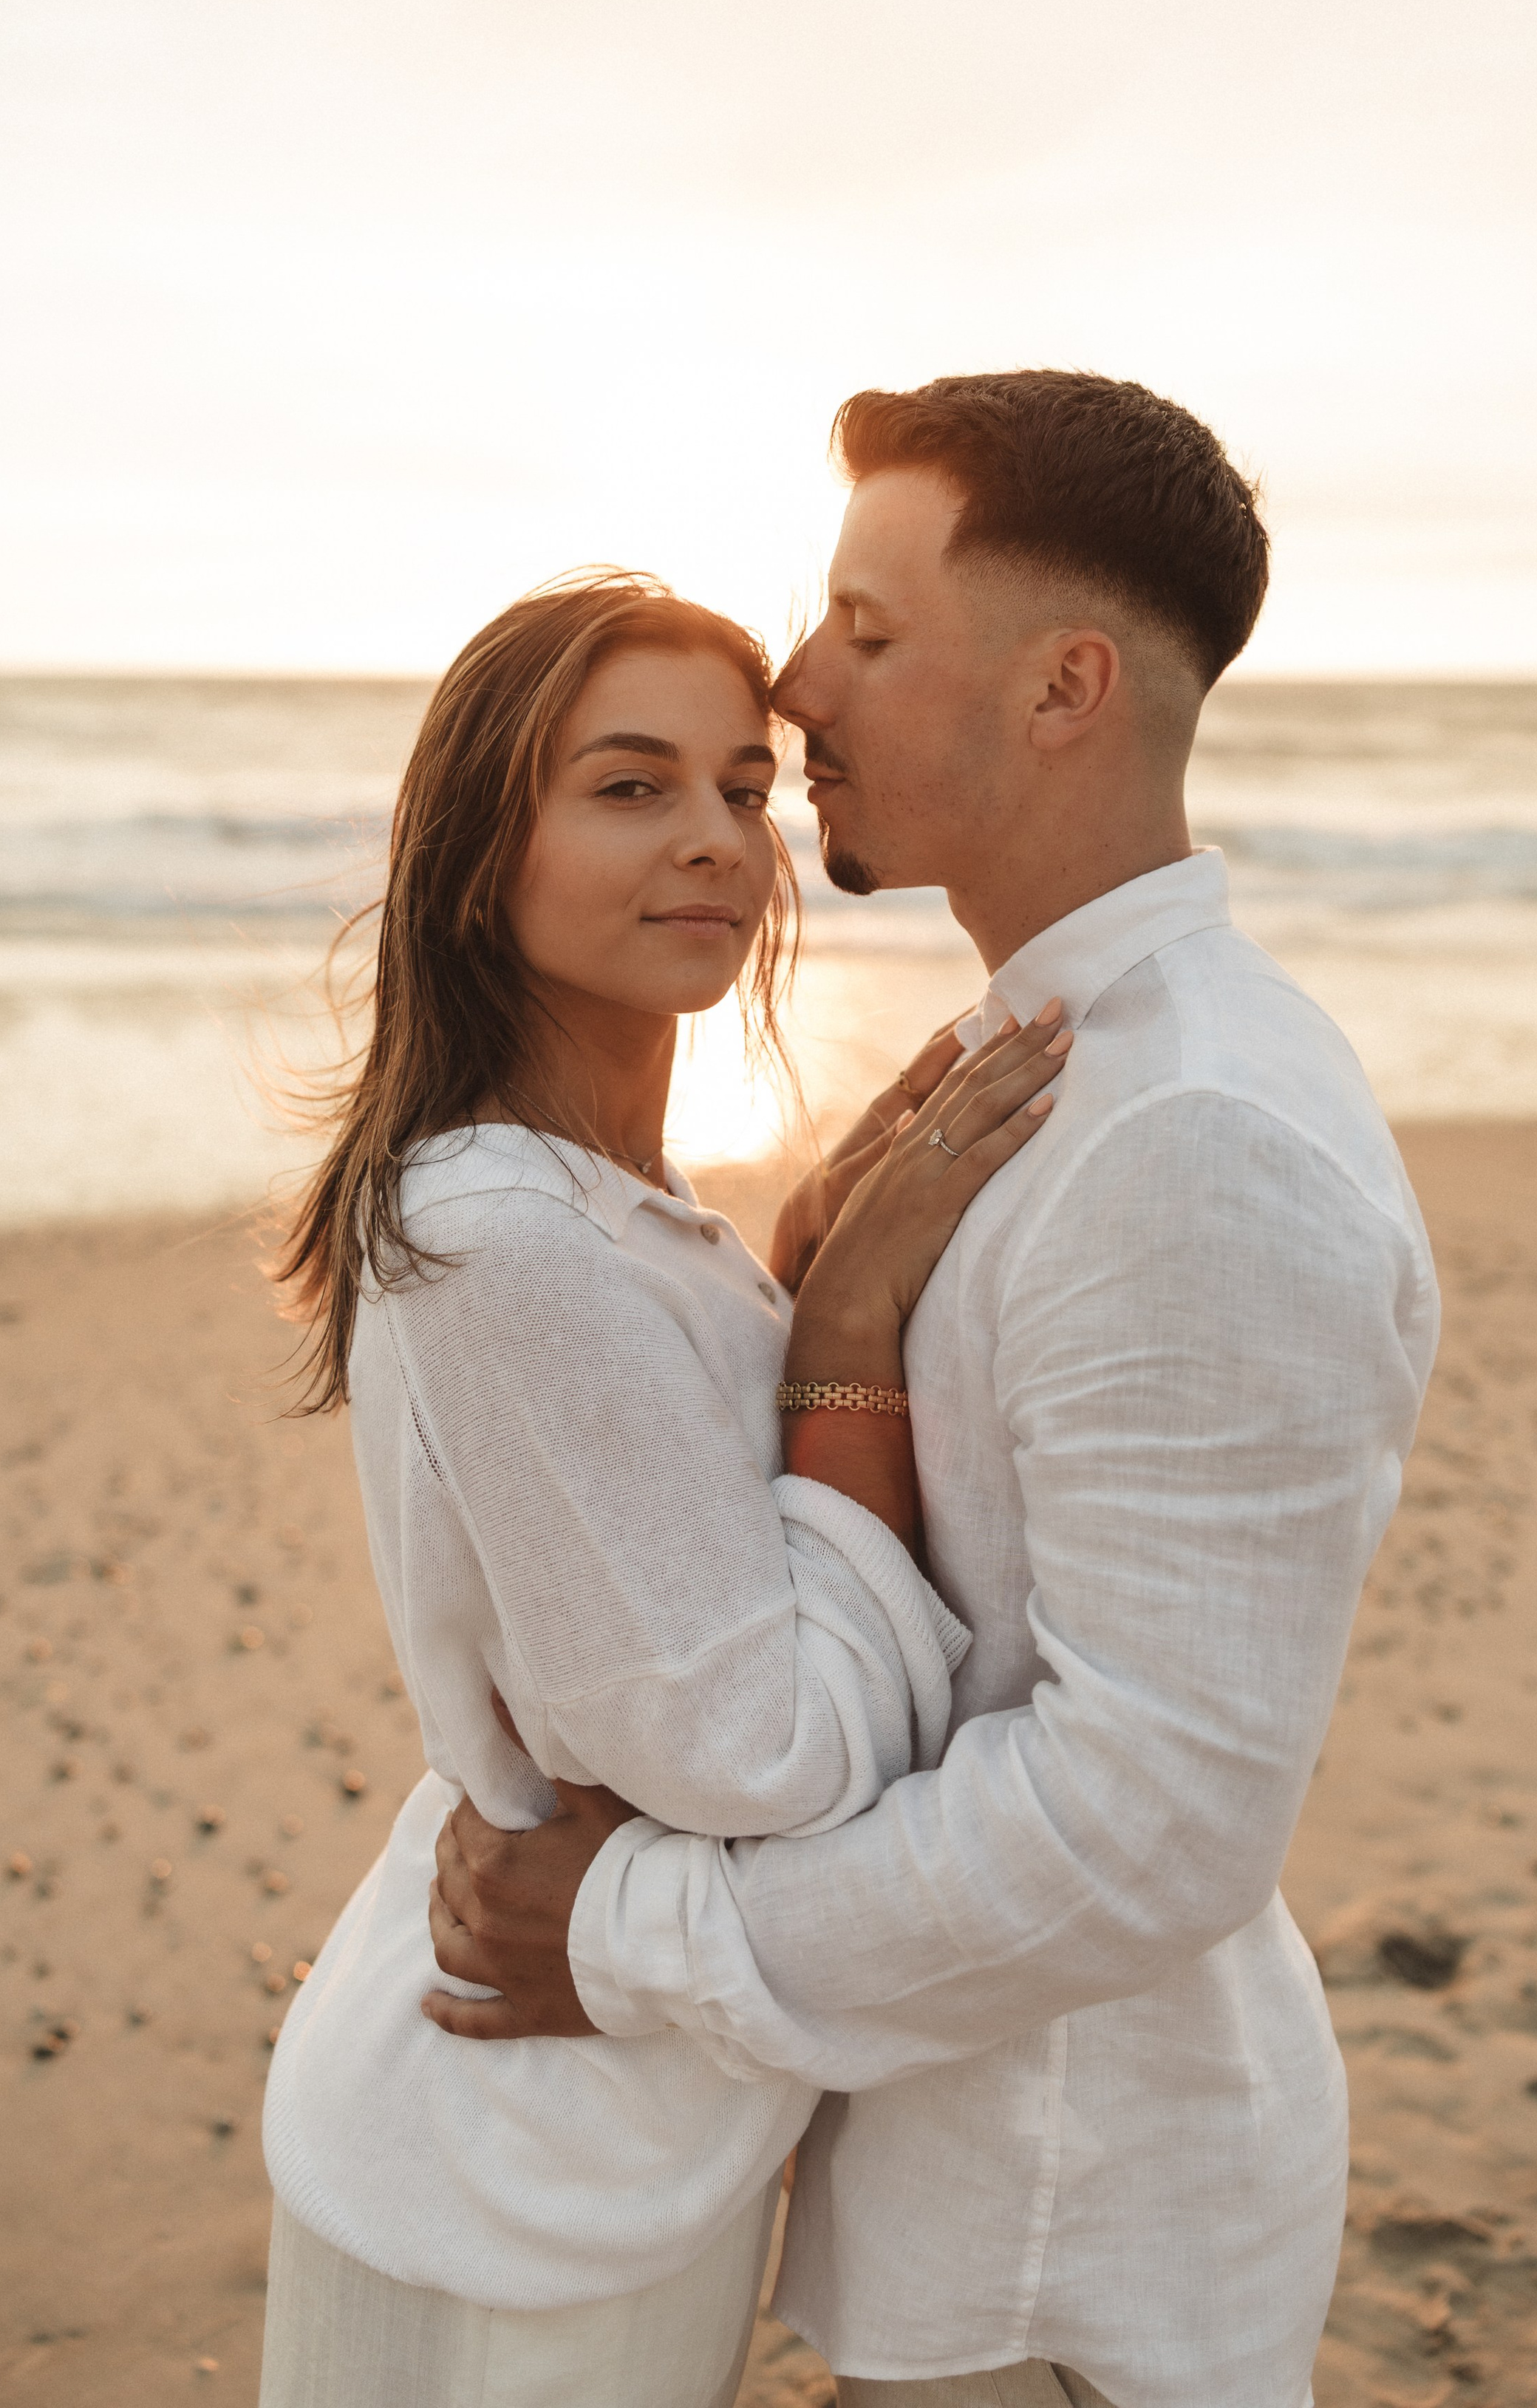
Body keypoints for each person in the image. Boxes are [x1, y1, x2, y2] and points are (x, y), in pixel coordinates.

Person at [424, 372, 1442, 2408]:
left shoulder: (1195, 1137)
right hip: (976, 2185)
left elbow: (1149, 1822)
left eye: (869, 634)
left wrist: (629, 1937)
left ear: (1065, 689)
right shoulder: (1043, 1065)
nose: (799, 686)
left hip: (1071, 2245)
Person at [256, 568, 1069, 2408]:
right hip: (517, 2167)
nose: (713, 839)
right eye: (628, 787)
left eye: (743, 788)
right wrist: (846, 1321)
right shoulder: (499, 1229)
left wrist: (786, 1264)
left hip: (600, 2107)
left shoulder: (622, 1212)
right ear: (481, 856)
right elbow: (766, 1757)